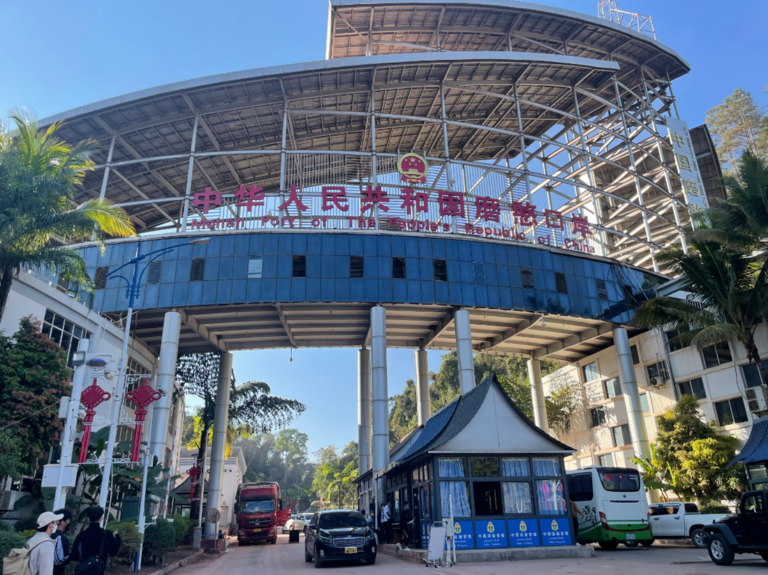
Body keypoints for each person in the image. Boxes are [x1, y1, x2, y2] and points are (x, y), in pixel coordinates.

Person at [51, 509, 72, 575]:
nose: (69, 522)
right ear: (62, 522)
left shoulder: (47, 535)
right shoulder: (62, 538)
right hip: (57, 571)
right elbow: (66, 559)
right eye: (68, 520)